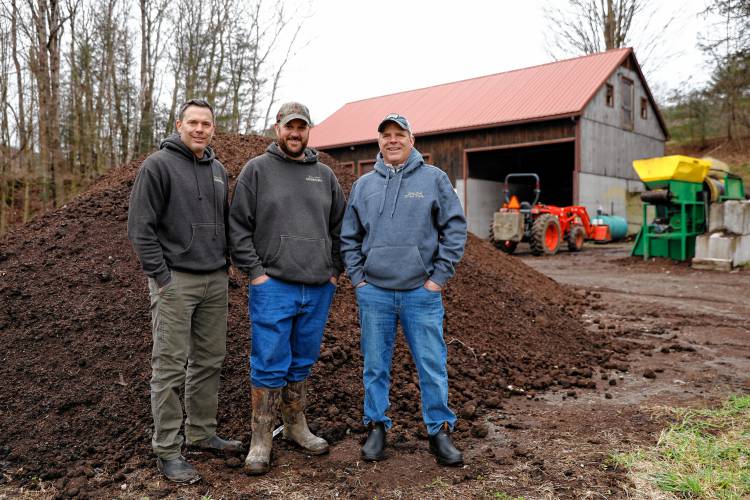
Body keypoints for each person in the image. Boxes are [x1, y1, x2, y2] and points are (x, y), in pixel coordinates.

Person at [341, 113, 467, 466]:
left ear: (412, 140)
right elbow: (349, 237)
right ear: (378, 142)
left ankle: (438, 431)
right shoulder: (364, 185)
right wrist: (359, 280)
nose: (392, 140)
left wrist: (437, 280)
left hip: (420, 294)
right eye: (386, 135)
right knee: (375, 365)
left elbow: (455, 230)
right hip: (375, 293)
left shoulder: (433, 179)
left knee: (431, 363)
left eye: (400, 134)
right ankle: (377, 426)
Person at [127, 99, 243, 484]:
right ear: (179, 124)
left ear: (213, 128)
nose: (199, 129)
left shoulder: (218, 170)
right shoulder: (157, 166)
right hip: (175, 281)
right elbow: (140, 228)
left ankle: (202, 433)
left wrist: (225, 266)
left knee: (210, 360)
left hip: (213, 280)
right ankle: (167, 449)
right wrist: (161, 277)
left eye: (206, 123)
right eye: (192, 122)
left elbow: (225, 225)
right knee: (170, 366)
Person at [229, 102, 346, 475]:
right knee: (268, 359)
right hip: (273, 284)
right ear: (276, 127)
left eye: (302, 127)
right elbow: (238, 227)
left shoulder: (324, 175)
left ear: (309, 130)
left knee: (303, 358)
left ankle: (296, 425)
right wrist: (257, 273)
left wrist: (334, 272)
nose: (295, 133)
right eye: (289, 126)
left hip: (316, 286)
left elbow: (340, 229)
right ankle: (261, 436)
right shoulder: (257, 170)